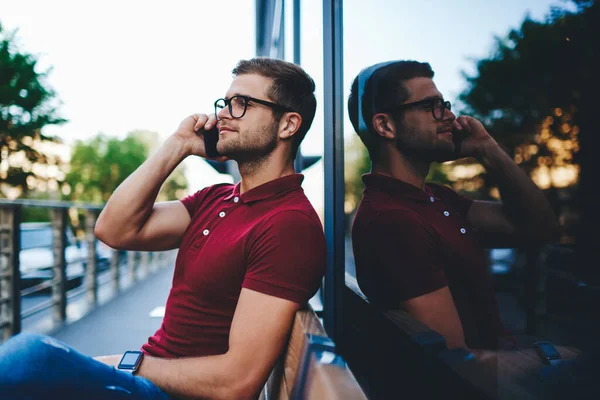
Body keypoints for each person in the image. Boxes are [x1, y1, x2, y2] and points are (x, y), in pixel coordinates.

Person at [0, 57, 326, 399]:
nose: (224, 114)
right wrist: (178, 145)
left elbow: (236, 381)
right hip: (148, 378)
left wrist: (127, 364)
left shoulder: (289, 224)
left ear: (288, 125)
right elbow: (114, 229)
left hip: (168, 391)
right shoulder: (216, 198)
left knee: (30, 359)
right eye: (225, 103)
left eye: (243, 104)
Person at [348, 60, 559, 350]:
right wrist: (545, 359)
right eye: (432, 106)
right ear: (385, 125)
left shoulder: (435, 197)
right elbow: (458, 362)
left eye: (444, 104)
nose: (449, 116)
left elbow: (540, 228)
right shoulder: (393, 219)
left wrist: (487, 149)